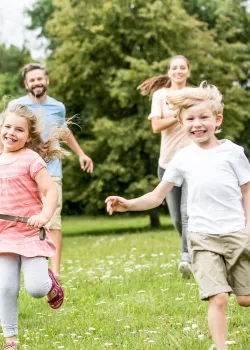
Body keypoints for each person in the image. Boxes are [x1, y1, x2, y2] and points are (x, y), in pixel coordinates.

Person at [105, 83, 250, 350]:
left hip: (237, 233)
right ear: (181, 122)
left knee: (245, 299)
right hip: (202, 237)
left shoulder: (233, 153)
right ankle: (221, 347)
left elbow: (246, 192)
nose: (197, 124)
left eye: (203, 117)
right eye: (190, 119)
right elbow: (157, 196)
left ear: (217, 119)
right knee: (217, 297)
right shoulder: (183, 158)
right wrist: (128, 204)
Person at [8, 63, 94, 279]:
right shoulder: (16, 106)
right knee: (18, 218)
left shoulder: (58, 107)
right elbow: (6, 135)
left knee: (53, 219)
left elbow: (64, 132)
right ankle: (16, 267)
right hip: (20, 172)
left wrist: (81, 154)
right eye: (32, 80)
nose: (37, 82)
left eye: (40, 78)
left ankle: (54, 273)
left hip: (51, 170)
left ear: (47, 80)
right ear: (26, 84)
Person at [0, 104, 66, 350]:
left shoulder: (31, 158)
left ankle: (49, 284)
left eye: (19, 129)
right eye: (7, 127)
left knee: (36, 289)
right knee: (5, 288)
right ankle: (10, 340)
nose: (11, 133)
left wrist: (44, 215)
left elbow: (50, 192)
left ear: (28, 136)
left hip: (30, 232)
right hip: (4, 235)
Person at [137, 55, 191, 278]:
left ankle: (186, 257)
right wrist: (179, 113)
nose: (178, 71)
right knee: (178, 219)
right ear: (169, 72)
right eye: (174, 68)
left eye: (182, 68)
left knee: (188, 214)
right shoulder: (160, 95)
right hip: (168, 164)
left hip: (192, 161)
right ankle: (191, 247)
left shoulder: (195, 95)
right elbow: (156, 126)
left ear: (188, 71)